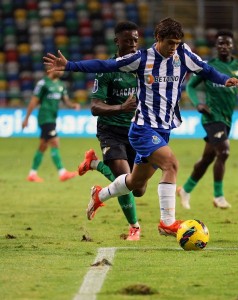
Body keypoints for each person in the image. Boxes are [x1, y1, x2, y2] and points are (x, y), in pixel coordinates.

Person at [44, 18, 238, 237]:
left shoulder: (183, 54)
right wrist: (70, 65)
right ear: (158, 39)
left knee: (136, 184)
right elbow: (106, 65)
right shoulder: (142, 59)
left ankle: (99, 196)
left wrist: (225, 79)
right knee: (171, 164)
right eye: (169, 43)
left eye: (177, 43)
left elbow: (205, 69)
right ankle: (167, 223)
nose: (173, 48)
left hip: (164, 129)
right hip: (142, 128)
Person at [78, 21, 142, 241]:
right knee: (123, 178)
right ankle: (134, 227)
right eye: (127, 40)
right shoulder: (107, 70)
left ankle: (94, 164)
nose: (133, 44)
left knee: (138, 188)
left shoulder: (142, 68)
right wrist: (121, 107)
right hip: (110, 131)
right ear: (117, 41)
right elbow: (95, 107)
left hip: (136, 132)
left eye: (135, 39)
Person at [177, 30, 238, 210]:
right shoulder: (207, 66)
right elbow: (190, 86)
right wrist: (198, 104)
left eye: (227, 43)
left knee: (207, 158)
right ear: (215, 46)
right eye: (220, 43)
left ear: (232, 46)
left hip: (227, 117)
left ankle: (186, 190)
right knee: (224, 152)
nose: (224, 46)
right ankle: (218, 196)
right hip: (211, 116)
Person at [22, 67, 80, 182]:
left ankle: (32, 174)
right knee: (54, 141)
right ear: (51, 69)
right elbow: (34, 101)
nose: (61, 72)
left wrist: (72, 105)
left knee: (43, 145)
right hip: (45, 117)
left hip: (52, 118)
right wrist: (26, 118)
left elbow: (66, 100)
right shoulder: (43, 83)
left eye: (62, 70)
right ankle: (62, 172)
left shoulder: (61, 85)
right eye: (59, 69)